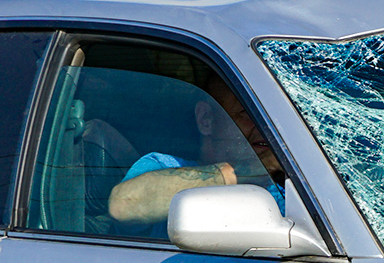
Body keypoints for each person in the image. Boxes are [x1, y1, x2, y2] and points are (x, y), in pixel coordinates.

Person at [107, 77, 286, 229]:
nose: (268, 128)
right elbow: (123, 205)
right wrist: (254, 170)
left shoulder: (289, 185)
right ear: (205, 119)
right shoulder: (164, 166)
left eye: (274, 117)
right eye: (248, 113)